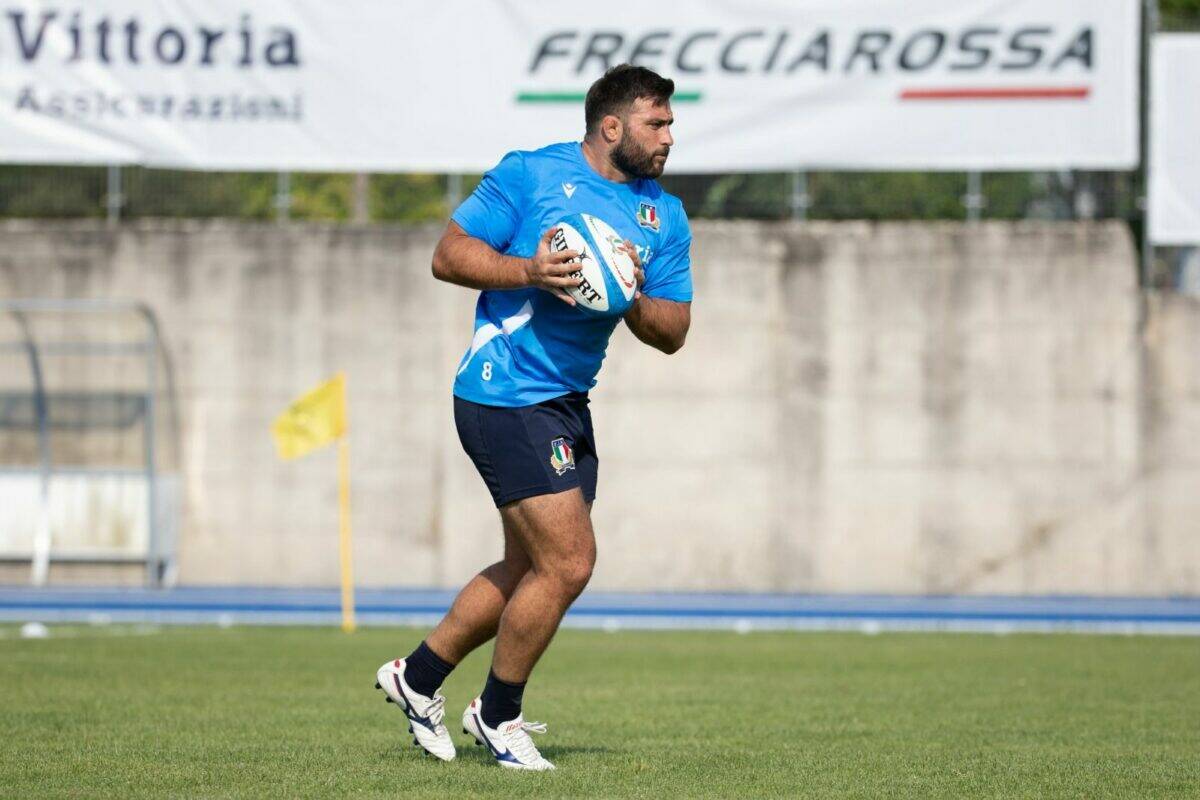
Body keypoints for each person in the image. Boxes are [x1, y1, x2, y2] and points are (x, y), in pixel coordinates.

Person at [375, 64, 692, 771]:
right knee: (571, 562)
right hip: (504, 391)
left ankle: (417, 679)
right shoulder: (530, 175)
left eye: (670, 123)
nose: (670, 136)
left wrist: (627, 294)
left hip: (568, 404)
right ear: (612, 126)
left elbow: (673, 330)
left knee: (531, 568)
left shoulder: (662, 215)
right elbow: (448, 255)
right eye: (657, 123)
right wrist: (531, 272)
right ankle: (498, 714)